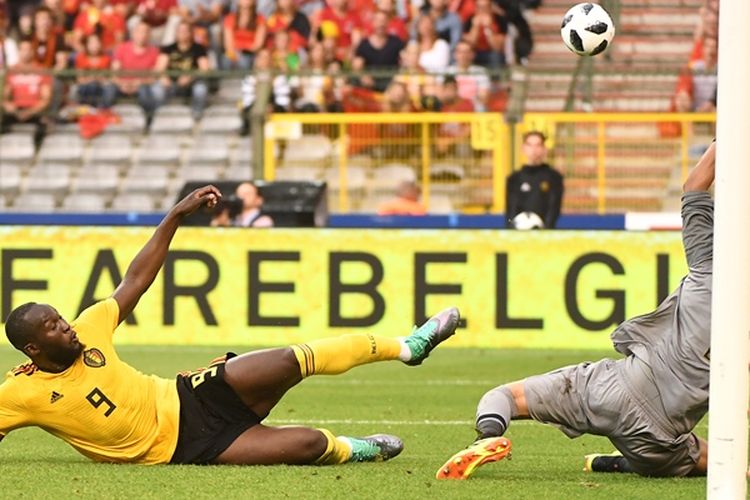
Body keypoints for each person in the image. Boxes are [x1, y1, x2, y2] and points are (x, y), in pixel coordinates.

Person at [0, 184, 461, 466]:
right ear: (33, 350)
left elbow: (136, 278)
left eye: (61, 318)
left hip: (188, 393)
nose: (68, 327)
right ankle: (357, 448)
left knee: (289, 359)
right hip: (186, 448)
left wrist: (175, 216)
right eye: (54, 328)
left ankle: (409, 345)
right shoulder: (21, 394)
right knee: (307, 446)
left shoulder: (91, 328)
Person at [437, 142, 717, 480]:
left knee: (506, 396)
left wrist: (727, 139)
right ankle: (623, 460)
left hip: (613, 386)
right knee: (703, 457)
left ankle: (488, 437)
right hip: (661, 434)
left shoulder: (710, 266)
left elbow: (693, 187)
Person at [152, 20, 210, 120]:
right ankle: (159, 115)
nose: (182, 33)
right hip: (171, 84)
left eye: (185, 31)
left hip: (191, 85)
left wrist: (190, 77)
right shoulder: (168, 48)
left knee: (201, 88)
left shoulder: (199, 48)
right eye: (179, 31)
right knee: (157, 88)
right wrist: (163, 78)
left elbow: (205, 69)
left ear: (190, 33)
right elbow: (159, 68)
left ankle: (197, 117)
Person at [505, 131, 563, 229]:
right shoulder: (514, 178)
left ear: (544, 149)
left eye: (538, 145)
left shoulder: (554, 177)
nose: (534, 150)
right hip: (519, 235)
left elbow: (553, 209)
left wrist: (545, 231)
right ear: (523, 148)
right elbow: (511, 211)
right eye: (530, 145)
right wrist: (513, 231)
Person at [1, 38, 52, 149]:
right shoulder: (11, 71)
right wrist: (11, 108)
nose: (26, 52)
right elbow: (5, 97)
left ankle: (37, 155)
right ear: (18, 51)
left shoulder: (41, 70)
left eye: (29, 49)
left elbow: (46, 98)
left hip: (35, 110)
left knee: (44, 127)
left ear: (33, 52)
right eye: (23, 49)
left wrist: (30, 112)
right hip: (16, 110)